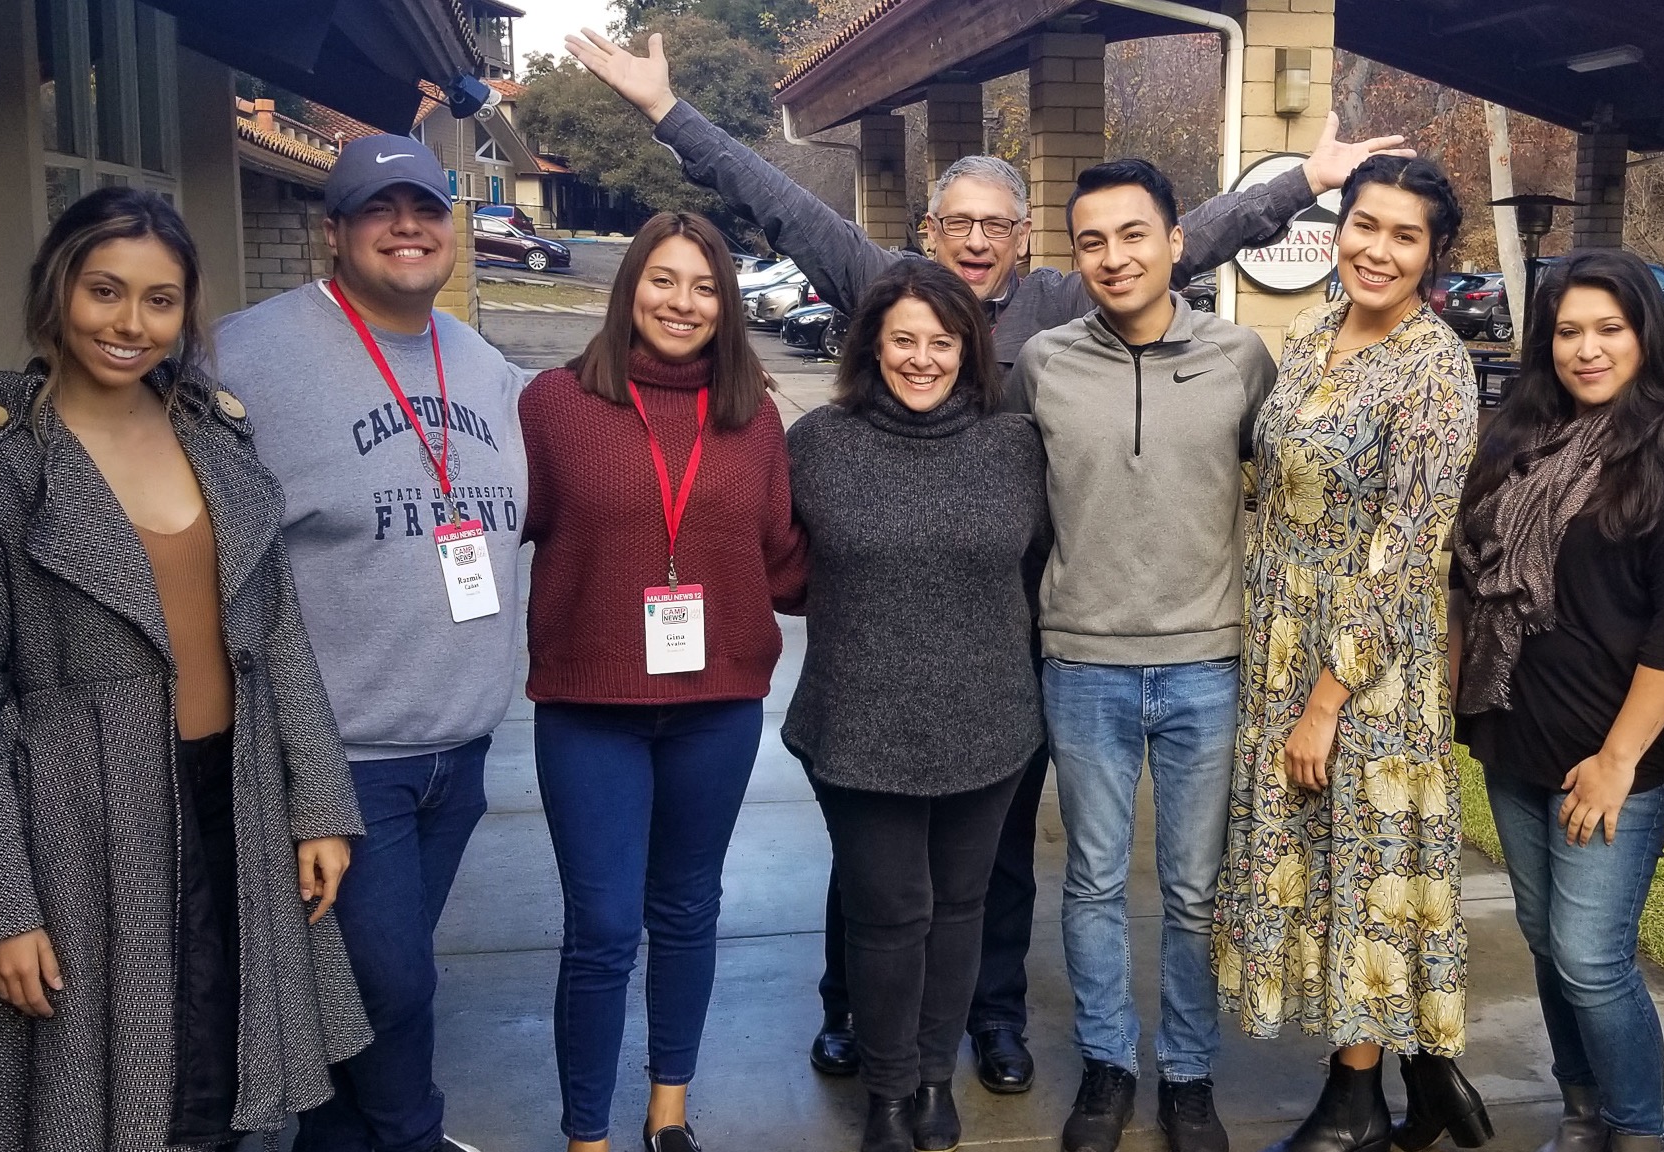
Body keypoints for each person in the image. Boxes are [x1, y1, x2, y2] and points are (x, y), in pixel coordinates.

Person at [563, 26, 1409, 1094]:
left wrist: (1302, 180)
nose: (973, 240)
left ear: (1020, 238)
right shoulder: (884, 284)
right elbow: (779, 201)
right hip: (887, 627)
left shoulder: (1062, 309)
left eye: (994, 224)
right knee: (874, 857)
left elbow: (1183, 242)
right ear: (928, 228)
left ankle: (992, 1015)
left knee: (998, 848)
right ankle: (850, 1011)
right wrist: (664, 113)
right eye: (955, 221)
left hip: (1017, 629)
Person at [0, 187, 369, 1152]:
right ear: (58, 291)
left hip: (232, 802)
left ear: (185, 314)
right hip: (82, 833)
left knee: (223, 1080)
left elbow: (278, 638)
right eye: (105, 291)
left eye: (159, 300)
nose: (130, 323)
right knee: (107, 1109)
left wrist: (320, 806)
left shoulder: (218, 441)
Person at [214, 136, 528, 1152]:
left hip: (461, 746)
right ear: (333, 229)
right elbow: (111, 434)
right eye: (375, 207)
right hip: (339, 756)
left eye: (425, 205)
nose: (407, 224)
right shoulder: (244, 356)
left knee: (360, 988)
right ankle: (413, 1143)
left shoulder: (484, 367)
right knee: (391, 984)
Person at [1212, 155, 1487, 1152]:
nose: (1374, 248)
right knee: (1321, 864)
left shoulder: (1433, 365)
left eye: (1402, 235)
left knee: (1361, 870)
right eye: (1363, 224)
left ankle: (1353, 1104)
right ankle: (1418, 1075)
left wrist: (1325, 699)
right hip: (1283, 634)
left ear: (1432, 254)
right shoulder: (1312, 332)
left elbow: (1406, 551)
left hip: (1364, 670)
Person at [518, 211, 806, 1152]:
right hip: (588, 705)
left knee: (686, 910)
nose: (682, 302)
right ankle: (585, 1144)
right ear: (628, 286)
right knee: (601, 926)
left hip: (716, 703)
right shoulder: (552, 406)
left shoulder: (753, 414)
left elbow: (781, 554)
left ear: (725, 302)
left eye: (704, 285)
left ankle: (668, 1117)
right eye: (662, 280)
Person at [1007, 158, 1278, 1152]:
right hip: (1081, 662)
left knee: (1193, 889)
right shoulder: (1040, 361)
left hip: (1206, 660)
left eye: (1132, 235)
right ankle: (1107, 1066)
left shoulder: (1240, 355)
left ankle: (1187, 1073)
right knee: (1087, 880)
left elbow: (1294, 484)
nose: (1112, 257)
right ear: (1071, 256)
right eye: (1090, 241)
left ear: (1174, 241)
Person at [1453, 249, 1664, 1152]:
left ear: (1645, 332)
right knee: (1544, 941)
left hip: (1618, 753)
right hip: (1515, 730)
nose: (1587, 349)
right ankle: (1583, 1120)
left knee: (1590, 953)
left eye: (1609, 329)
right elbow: (1471, 574)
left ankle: (1642, 1141)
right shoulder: (1522, 433)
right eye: (1568, 331)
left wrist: (1618, 758)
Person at [784, 258, 1048, 1152]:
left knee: (961, 909)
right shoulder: (818, 442)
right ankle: (891, 1090)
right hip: (859, 725)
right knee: (889, 915)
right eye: (903, 339)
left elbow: (1037, 568)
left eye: (942, 342)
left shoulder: (1015, 446)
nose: (923, 359)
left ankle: (938, 1076)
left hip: (989, 721)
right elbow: (777, 564)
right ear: (872, 345)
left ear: (971, 351)